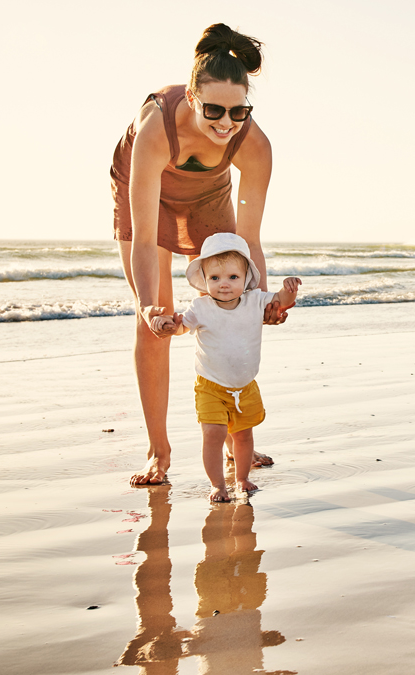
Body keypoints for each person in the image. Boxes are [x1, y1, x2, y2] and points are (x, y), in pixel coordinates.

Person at [111, 24, 281, 486]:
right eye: (214, 110)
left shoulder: (254, 145)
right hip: (145, 191)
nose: (226, 123)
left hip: (208, 193)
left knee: (231, 306)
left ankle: (233, 436)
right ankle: (158, 452)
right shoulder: (157, 128)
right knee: (157, 321)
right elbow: (146, 239)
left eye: (238, 111)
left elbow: (247, 243)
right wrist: (148, 305)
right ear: (191, 95)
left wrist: (262, 301)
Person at [153, 233, 301, 502]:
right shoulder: (201, 307)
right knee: (214, 433)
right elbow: (181, 326)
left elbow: (282, 300)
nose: (224, 284)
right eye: (215, 278)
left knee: (243, 437)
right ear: (205, 279)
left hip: (245, 386)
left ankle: (242, 478)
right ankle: (217, 485)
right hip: (210, 386)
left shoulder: (256, 301)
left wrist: (289, 289)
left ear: (246, 278)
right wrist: (166, 325)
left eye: (233, 277)